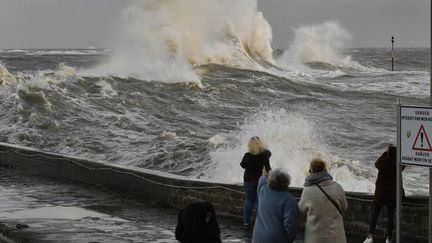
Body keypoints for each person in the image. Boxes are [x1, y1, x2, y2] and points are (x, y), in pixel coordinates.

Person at [298, 158, 348, 243]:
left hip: (315, 238)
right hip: (337, 238)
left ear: (311, 171)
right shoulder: (337, 187)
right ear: (325, 170)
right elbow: (344, 207)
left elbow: (301, 209)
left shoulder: (307, 191)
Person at [363, 144, 405, 243]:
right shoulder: (398, 163)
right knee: (391, 217)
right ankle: (388, 238)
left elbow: (376, 164)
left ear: (388, 153)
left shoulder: (383, 161)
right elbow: (403, 167)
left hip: (380, 194)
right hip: (392, 195)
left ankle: (370, 236)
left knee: (375, 215)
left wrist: (385, 154)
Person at [252, 167, 299, 243]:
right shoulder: (289, 200)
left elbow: (262, 181)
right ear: (286, 182)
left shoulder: (263, 191)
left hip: (258, 237)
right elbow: (290, 224)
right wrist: (290, 238)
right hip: (277, 238)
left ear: (270, 181)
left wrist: (264, 175)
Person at [240, 136, 272, 229]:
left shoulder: (247, 155)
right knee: (259, 200)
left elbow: (242, 165)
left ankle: (246, 222)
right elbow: (268, 167)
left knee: (249, 200)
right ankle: (259, 222)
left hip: (248, 180)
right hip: (260, 180)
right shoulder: (265, 155)